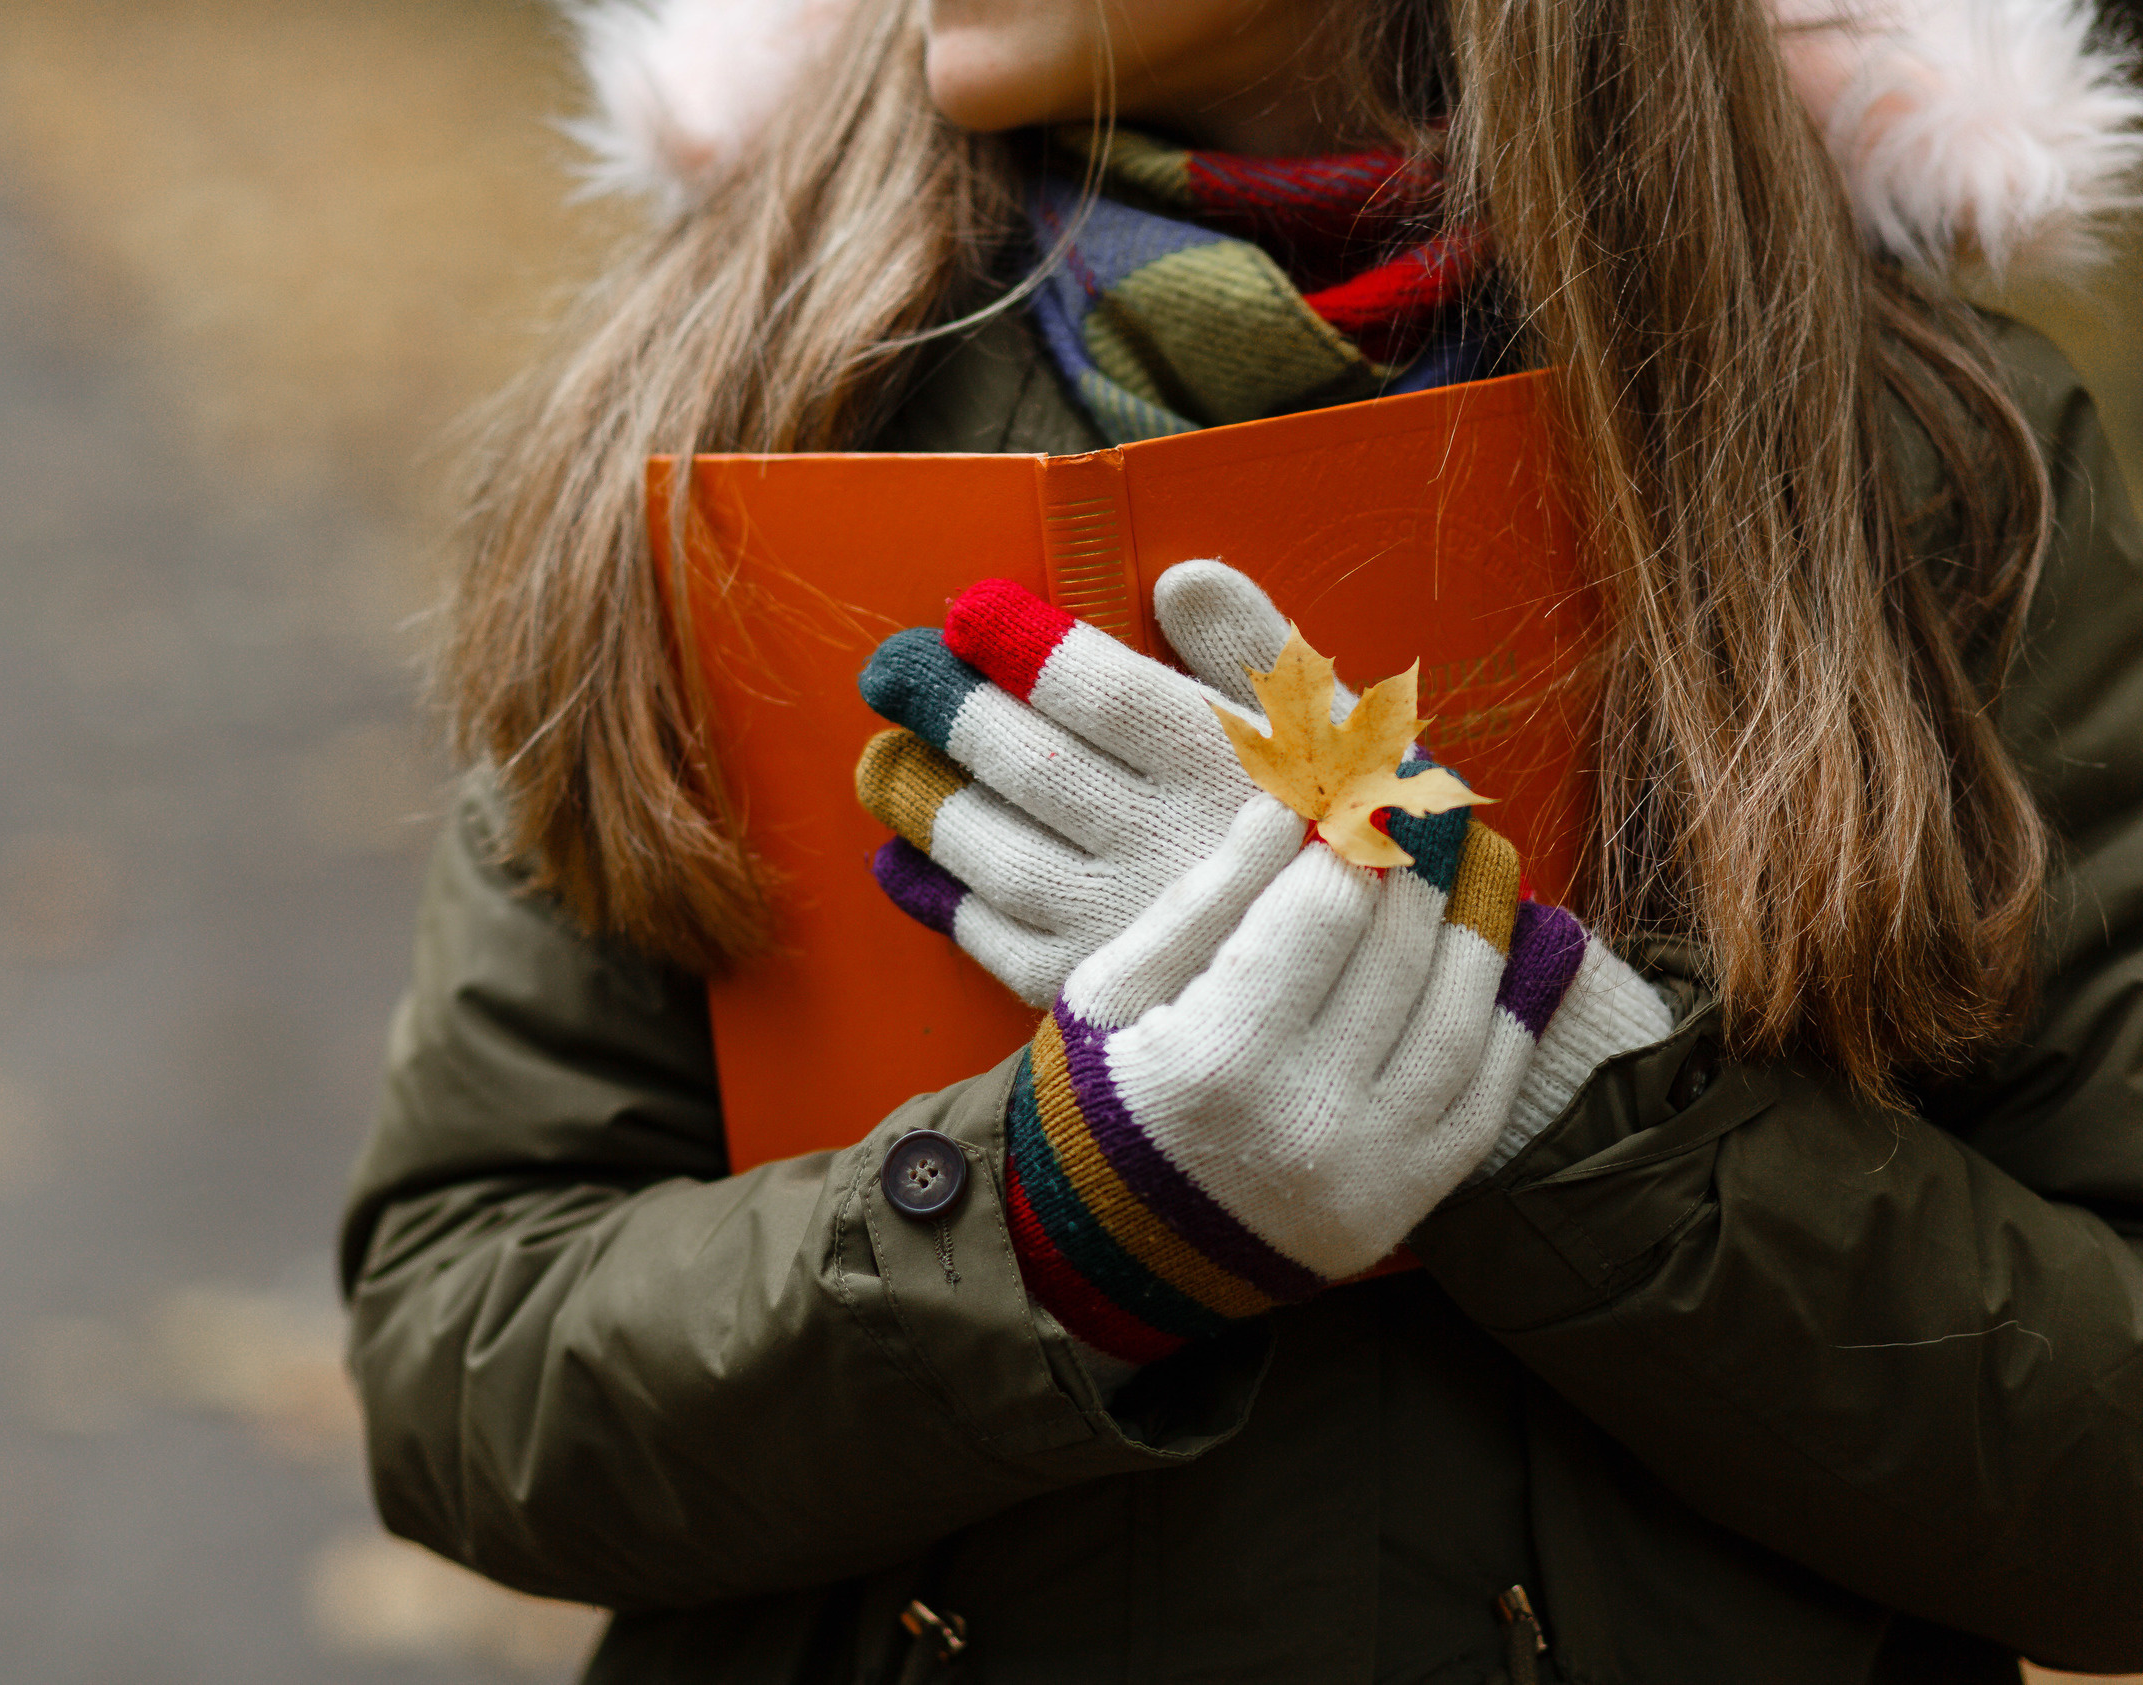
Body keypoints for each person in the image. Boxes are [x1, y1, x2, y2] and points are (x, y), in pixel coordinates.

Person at [340, 0, 2143, 1678]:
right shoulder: (737, 390)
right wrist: (1061, 1218)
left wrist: (1543, 1093)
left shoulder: (1917, 465)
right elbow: (462, 1376)